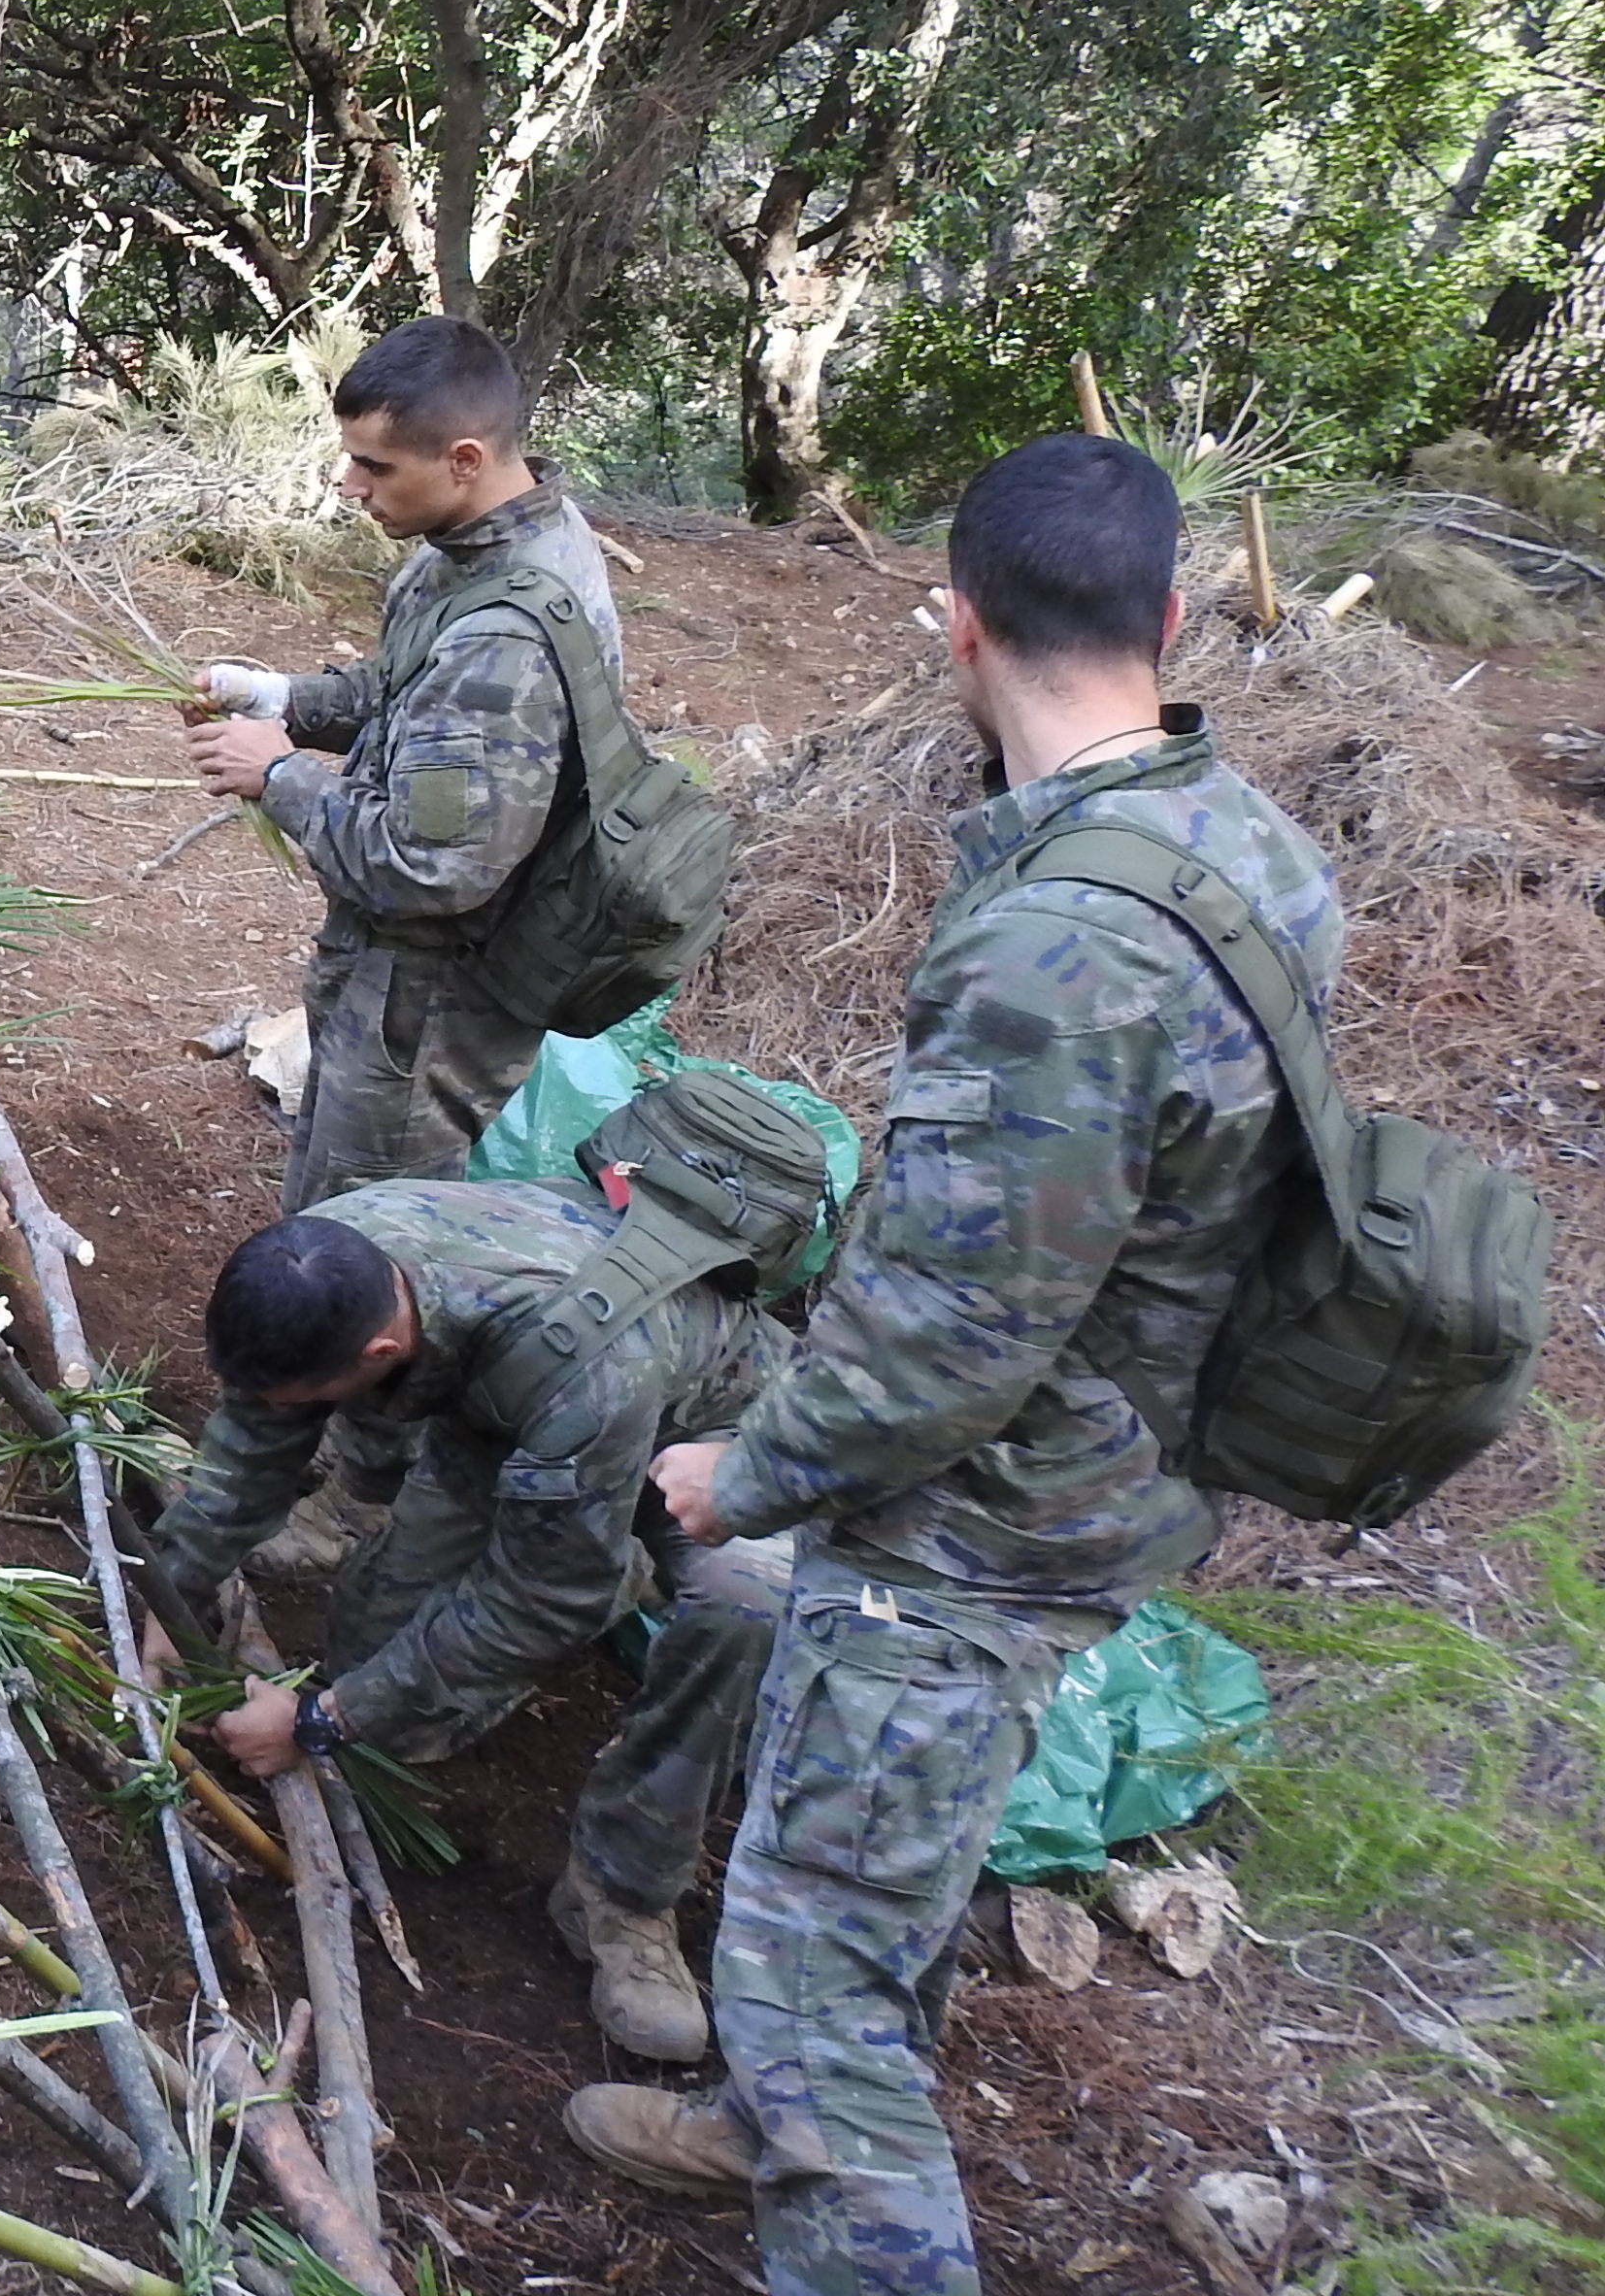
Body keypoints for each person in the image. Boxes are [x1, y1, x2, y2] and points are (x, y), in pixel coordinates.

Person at [566, 436, 1342, 2296]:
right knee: (887, 1863)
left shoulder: (1055, 941)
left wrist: (739, 1474)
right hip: (1117, 1470)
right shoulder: (1249, 852)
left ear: (954, 627)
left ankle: (832, 2187)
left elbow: (948, 1333)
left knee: (814, 1952)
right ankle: (757, 2117)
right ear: (1166, 617)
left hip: (971, 1528)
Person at [146, 1184, 794, 2063]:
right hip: (518, 1419)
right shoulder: (329, 1260)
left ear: (381, 1350)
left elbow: (539, 1598)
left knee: (742, 1609)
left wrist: (318, 1721)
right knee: (387, 1682)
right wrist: (172, 1596)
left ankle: (623, 1895)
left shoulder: (576, 1372)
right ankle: (584, 1549)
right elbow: (256, 1435)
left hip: (724, 1435)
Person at [183, 313, 627, 1216]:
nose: (350, 485)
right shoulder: (473, 551)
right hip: (390, 977)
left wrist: (281, 777)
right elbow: (406, 691)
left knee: (362, 1236)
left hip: (432, 1004)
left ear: (464, 458)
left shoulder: (508, 637)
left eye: (375, 466)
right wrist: (286, 699)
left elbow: (435, 868)